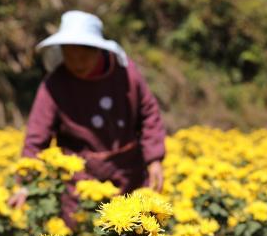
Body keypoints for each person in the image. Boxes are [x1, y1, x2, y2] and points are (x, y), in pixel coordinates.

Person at [9, 11, 166, 222]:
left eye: (83, 56)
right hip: (79, 181)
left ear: (98, 51)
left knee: (132, 235)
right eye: (69, 56)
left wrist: (154, 159)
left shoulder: (125, 73)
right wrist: (25, 183)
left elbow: (148, 113)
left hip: (127, 173)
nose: (77, 63)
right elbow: (37, 136)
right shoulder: (54, 84)